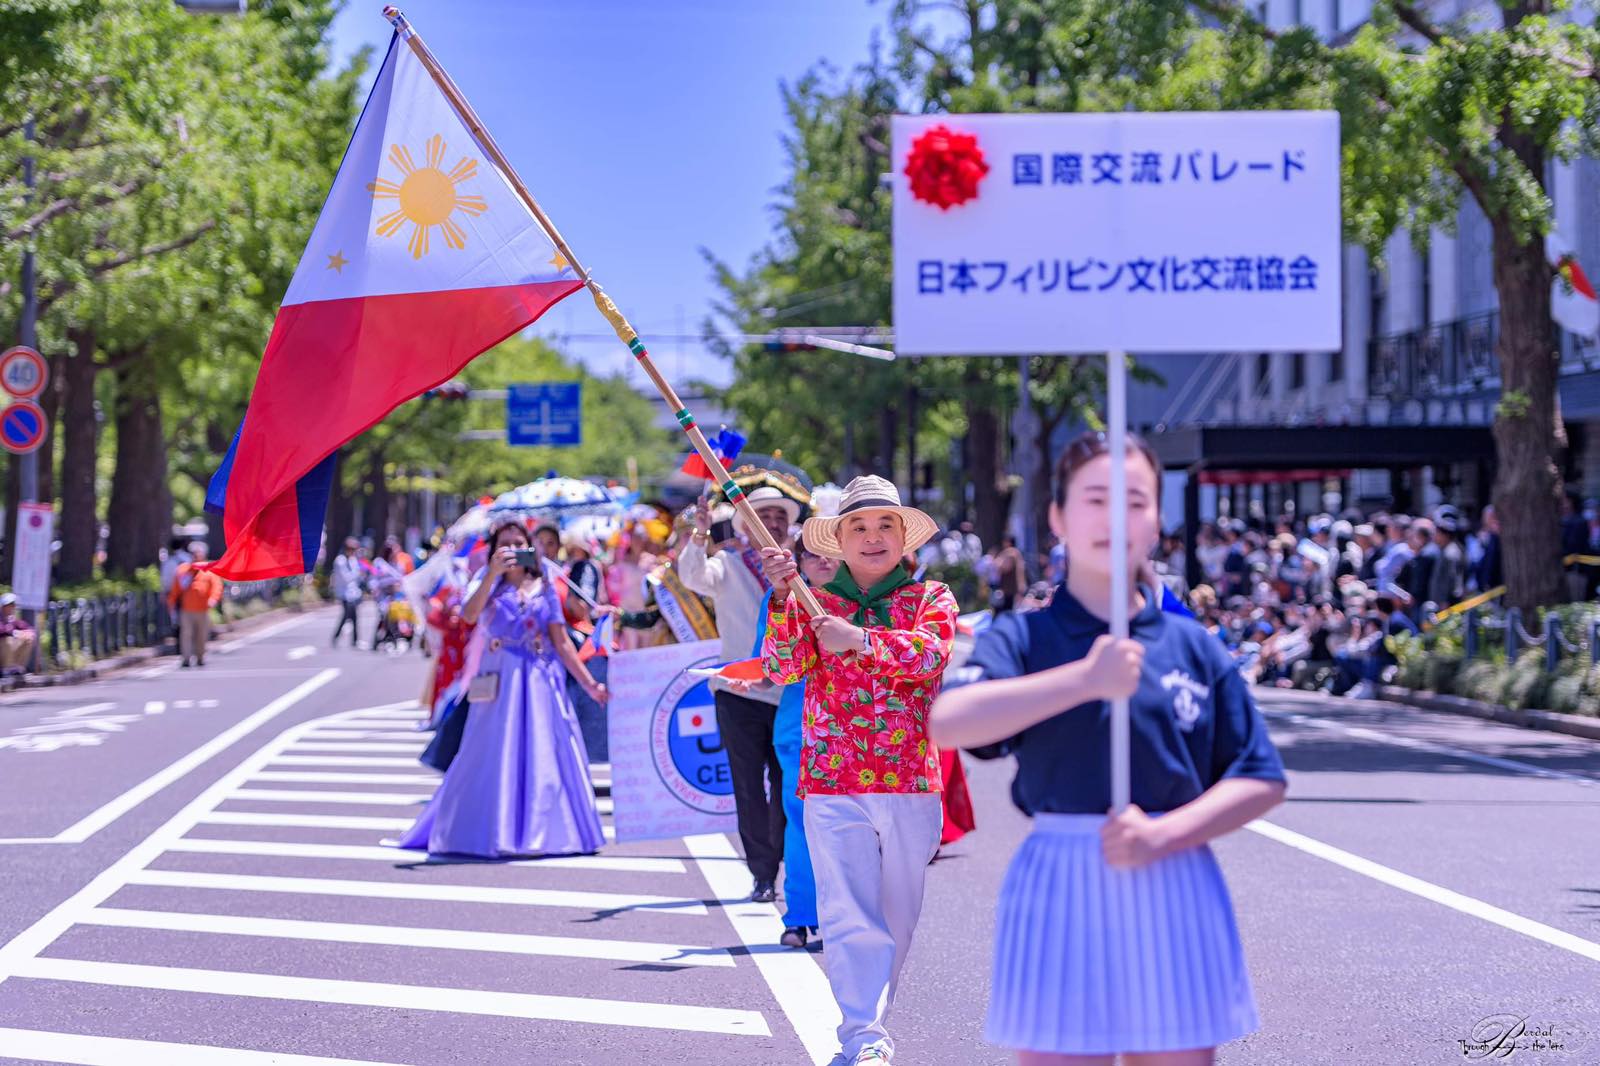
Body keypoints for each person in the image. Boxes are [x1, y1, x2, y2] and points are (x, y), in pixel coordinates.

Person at [929, 430, 1287, 1065]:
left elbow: (1259, 774)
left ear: (1156, 520)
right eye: (1095, 499)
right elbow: (950, 721)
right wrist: (1084, 680)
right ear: (1059, 516)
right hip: (1060, 874)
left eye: (1135, 500)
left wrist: (1166, 834)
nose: (1114, 518)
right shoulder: (1023, 635)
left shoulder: (1190, 645)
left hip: (1173, 873)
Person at [761, 474, 955, 1066]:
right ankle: (863, 1037)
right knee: (847, 913)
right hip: (832, 780)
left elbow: (929, 657)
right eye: (858, 528)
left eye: (884, 526)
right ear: (837, 541)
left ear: (903, 537)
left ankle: (872, 1021)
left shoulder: (931, 598)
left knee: (898, 918)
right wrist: (781, 598)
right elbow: (779, 666)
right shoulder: (811, 599)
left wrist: (859, 640)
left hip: (910, 782)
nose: (872, 538)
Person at [395, 517, 608, 857]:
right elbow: (468, 615)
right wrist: (491, 574)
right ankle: (491, 829)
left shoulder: (546, 584)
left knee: (546, 754)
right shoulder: (486, 582)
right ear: (494, 551)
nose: (512, 549)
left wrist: (590, 683)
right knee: (490, 753)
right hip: (500, 681)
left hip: (542, 681)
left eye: (518, 542)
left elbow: (562, 642)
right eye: (504, 544)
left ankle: (545, 831)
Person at [680, 484, 802, 903]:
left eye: (780, 518)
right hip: (738, 691)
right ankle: (763, 874)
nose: (772, 524)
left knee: (790, 785)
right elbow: (693, 576)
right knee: (749, 787)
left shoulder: (798, 570)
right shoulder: (728, 564)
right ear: (746, 526)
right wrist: (699, 534)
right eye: (763, 516)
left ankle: (792, 866)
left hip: (789, 692)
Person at [736, 535, 837, 950]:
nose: (823, 561)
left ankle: (841, 917)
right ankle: (798, 916)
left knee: (846, 830)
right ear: (797, 560)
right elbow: (772, 666)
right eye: (812, 554)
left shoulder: (857, 601)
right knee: (800, 823)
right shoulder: (778, 601)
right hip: (799, 729)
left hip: (853, 734)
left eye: (831, 552)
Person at [167, 542, 224, 668]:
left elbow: (217, 587)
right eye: (193, 553)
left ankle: (200, 656)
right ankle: (186, 658)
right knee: (186, 634)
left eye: (198, 553)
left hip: (203, 610)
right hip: (186, 610)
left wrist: (213, 599)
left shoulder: (209, 571)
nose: (195, 556)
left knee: (202, 634)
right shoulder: (183, 569)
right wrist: (171, 603)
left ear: (203, 555)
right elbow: (175, 589)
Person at [330, 538, 364, 647]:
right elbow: (346, 578)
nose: (353, 552)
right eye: (351, 549)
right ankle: (337, 637)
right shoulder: (340, 561)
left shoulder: (352, 560)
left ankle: (354, 640)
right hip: (344, 593)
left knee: (353, 616)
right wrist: (357, 573)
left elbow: (356, 578)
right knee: (346, 616)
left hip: (353, 594)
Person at [0, 593, 36, 675]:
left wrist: (28, 633)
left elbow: (26, 627)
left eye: (13, 605)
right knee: (7, 640)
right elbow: (2, 630)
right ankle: (6, 668)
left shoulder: (11, 619)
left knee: (27, 639)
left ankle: (17, 667)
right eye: (10, 605)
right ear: (3, 606)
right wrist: (13, 633)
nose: (12, 607)